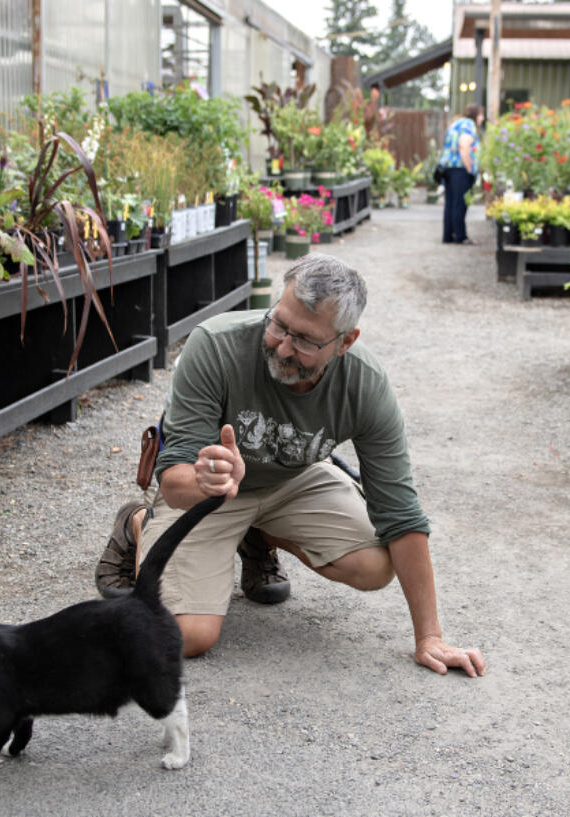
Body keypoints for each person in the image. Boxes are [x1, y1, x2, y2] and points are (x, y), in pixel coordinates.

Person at [95, 254, 485, 677]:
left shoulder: (365, 384)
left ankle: (254, 533)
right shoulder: (214, 344)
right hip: (208, 489)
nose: (282, 346)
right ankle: (137, 523)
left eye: (304, 340)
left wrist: (429, 638)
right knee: (183, 636)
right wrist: (207, 480)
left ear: (345, 342)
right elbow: (174, 480)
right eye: (278, 324)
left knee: (374, 564)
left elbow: (400, 512)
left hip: (292, 478)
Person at [440, 104, 485, 245]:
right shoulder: (468, 124)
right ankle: (460, 236)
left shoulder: (456, 123)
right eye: (481, 115)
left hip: (447, 168)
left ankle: (448, 236)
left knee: (451, 203)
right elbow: (464, 145)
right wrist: (470, 168)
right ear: (476, 115)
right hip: (460, 169)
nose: (482, 118)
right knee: (460, 203)